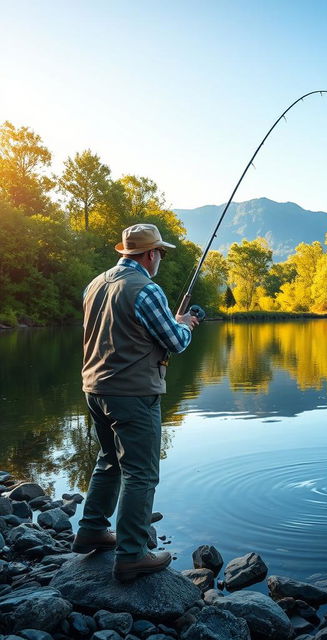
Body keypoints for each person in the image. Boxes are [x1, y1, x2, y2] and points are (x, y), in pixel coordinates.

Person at [72, 223, 199, 582]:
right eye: (160, 251)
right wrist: (186, 324)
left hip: (95, 388)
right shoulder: (147, 289)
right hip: (133, 393)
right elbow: (175, 342)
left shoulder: (95, 284)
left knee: (109, 460)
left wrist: (171, 323)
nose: (160, 257)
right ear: (150, 254)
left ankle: (92, 529)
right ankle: (131, 555)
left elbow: (124, 329)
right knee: (141, 472)